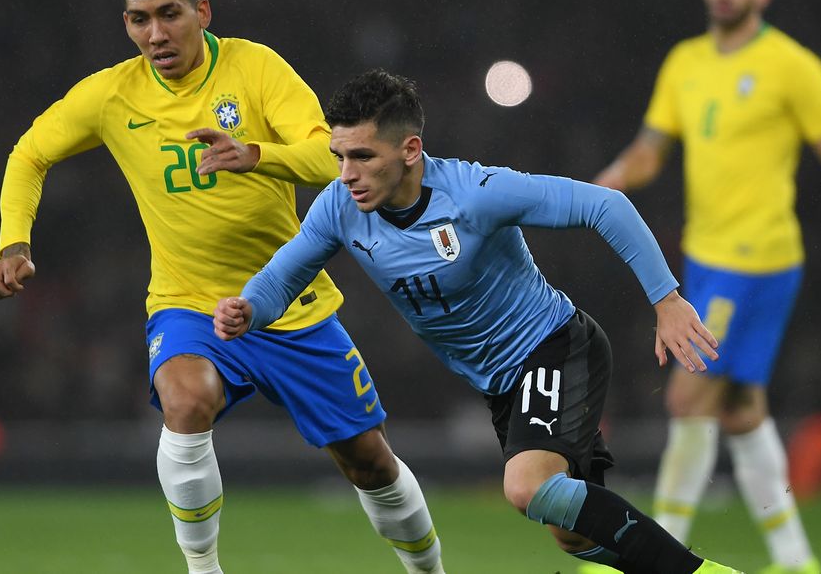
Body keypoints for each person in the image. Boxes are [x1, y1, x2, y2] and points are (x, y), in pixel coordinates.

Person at [0, 0, 444, 574]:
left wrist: (256, 153)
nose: (156, 33)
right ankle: (203, 572)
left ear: (202, 12)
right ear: (126, 24)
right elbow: (29, 153)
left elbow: (328, 155)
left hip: (291, 305)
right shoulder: (113, 95)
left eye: (169, 14)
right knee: (184, 400)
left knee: (368, 461)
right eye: (140, 19)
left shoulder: (255, 70)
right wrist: (15, 240)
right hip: (189, 304)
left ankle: (430, 571)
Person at [214, 69, 743, 574]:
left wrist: (666, 299)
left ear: (410, 151)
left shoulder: (475, 194)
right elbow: (282, 277)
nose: (346, 173)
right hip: (500, 385)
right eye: (339, 156)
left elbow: (604, 205)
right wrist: (249, 308)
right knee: (573, 532)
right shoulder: (339, 207)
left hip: (554, 345)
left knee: (526, 487)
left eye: (362, 156)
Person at [593, 0, 821, 574]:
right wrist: (605, 182)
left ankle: (653, 556)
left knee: (685, 398)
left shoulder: (792, 66)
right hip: (706, 258)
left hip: (757, 260)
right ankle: (795, 559)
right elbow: (651, 149)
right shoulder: (684, 62)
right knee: (739, 410)